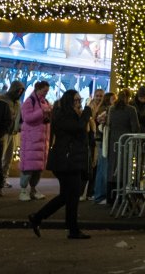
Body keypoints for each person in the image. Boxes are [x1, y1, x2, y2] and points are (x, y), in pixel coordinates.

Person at [28, 90, 92, 240]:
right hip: (66, 161)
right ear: (69, 101)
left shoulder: (69, 114)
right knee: (72, 195)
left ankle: (39, 218)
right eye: (76, 100)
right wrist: (88, 111)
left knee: (67, 196)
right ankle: (71, 228)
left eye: (80, 100)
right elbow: (78, 128)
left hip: (69, 160)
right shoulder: (63, 114)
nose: (79, 103)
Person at [101, 88, 142, 204]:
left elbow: (109, 124)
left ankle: (111, 197)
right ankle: (122, 197)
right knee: (124, 168)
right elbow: (135, 127)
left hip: (113, 141)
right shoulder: (131, 110)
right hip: (126, 142)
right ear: (128, 98)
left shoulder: (112, 109)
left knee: (112, 168)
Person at [19, 80, 52, 201]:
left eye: (47, 91)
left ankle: (33, 189)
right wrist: (42, 111)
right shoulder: (29, 101)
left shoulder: (45, 102)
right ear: (38, 89)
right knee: (28, 167)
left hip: (42, 141)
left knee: (38, 168)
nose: (46, 94)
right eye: (44, 91)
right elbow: (26, 118)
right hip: (31, 141)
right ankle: (23, 190)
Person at [0, 80, 25, 193]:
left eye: (21, 91)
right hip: (3, 132)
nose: (19, 92)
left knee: (8, 158)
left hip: (13, 132)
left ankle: (3, 179)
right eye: (18, 90)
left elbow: (20, 117)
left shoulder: (18, 103)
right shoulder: (2, 99)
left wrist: (18, 127)